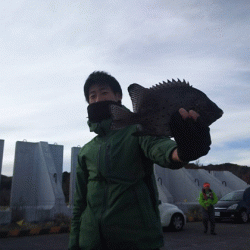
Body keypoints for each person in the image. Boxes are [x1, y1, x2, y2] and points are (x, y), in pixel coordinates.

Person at [68, 71, 211, 250]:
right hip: (90, 243)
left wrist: (182, 152)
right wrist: (74, 244)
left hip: (137, 243)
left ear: (118, 96)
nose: (97, 100)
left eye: (104, 93)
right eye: (92, 96)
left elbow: (158, 146)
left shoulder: (138, 131)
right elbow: (79, 205)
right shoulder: (86, 151)